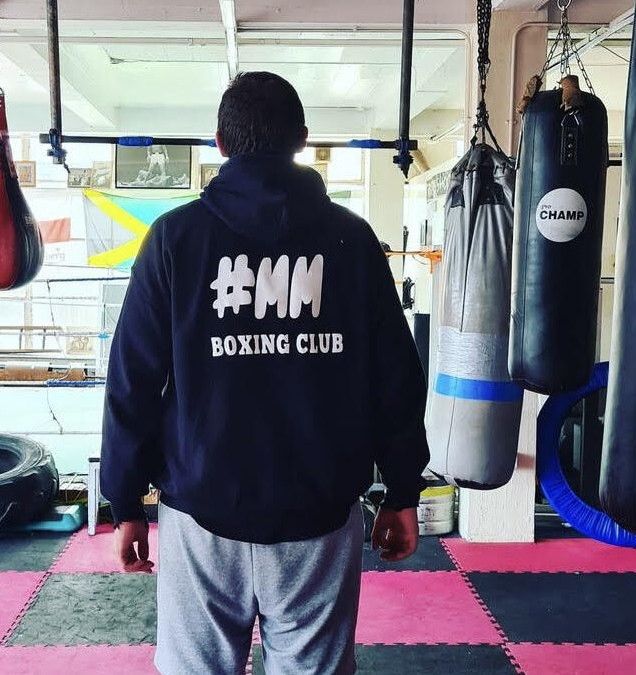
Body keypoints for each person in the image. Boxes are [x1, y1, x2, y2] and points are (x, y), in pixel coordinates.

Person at [101, 71, 429, 675]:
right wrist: (402, 490)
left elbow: (132, 381)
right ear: (301, 140)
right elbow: (396, 378)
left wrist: (124, 501)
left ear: (220, 143)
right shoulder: (351, 241)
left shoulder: (175, 238)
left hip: (202, 515)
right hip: (318, 514)